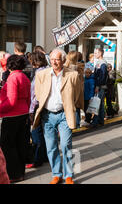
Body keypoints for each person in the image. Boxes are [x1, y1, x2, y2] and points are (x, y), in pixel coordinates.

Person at [32, 48, 83, 184]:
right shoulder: (41, 75)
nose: (54, 62)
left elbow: (77, 93)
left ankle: (68, 175)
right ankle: (56, 174)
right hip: (47, 116)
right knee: (51, 146)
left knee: (66, 144)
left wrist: (72, 107)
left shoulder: (72, 75)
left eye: (58, 59)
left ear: (63, 60)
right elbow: (38, 93)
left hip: (64, 114)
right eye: (52, 59)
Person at [0, 55, 31, 183]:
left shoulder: (13, 77)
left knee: (8, 146)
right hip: (23, 113)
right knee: (20, 144)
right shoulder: (24, 77)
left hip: (12, 115)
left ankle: (13, 174)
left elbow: (11, 101)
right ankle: (20, 172)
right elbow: (28, 98)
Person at [27, 52, 49, 169]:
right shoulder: (47, 70)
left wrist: (31, 110)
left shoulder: (40, 72)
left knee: (36, 133)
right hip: (44, 105)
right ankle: (44, 156)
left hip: (37, 105)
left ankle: (37, 158)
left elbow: (35, 93)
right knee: (42, 132)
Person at [64, 51, 84, 129]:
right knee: (77, 107)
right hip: (77, 89)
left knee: (69, 106)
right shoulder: (79, 67)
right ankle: (77, 124)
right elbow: (81, 79)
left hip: (68, 89)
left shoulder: (65, 67)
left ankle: (70, 124)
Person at [91, 48, 108, 128]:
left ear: (100, 53)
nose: (94, 54)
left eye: (96, 53)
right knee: (100, 104)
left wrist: (97, 86)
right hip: (99, 86)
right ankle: (101, 121)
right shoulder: (99, 62)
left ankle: (95, 122)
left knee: (97, 103)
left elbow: (102, 76)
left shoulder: (102, 64)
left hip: (100, 87)